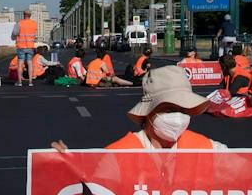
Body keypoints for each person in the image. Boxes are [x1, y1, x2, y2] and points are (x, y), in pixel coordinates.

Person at [53, 65, 228, 154]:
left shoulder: (208, 149)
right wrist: (66, 163)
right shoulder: (120, 154)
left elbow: (247, 171)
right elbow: (87, 184)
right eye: (168, 109)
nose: (178, 117)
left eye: (184, 110)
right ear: (149, 112)